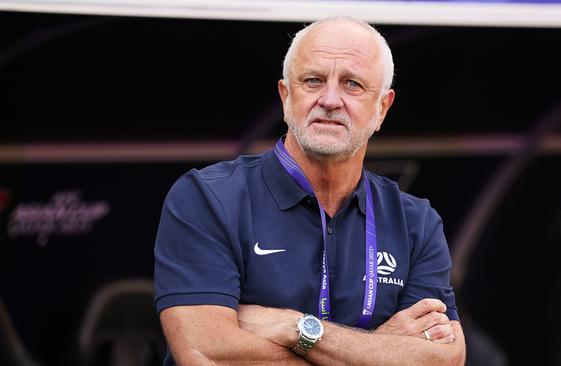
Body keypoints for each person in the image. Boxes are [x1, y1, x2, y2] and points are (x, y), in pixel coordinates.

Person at [154, 16, 465, 365]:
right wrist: (381, 347)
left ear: (382, 108)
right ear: (286, 97)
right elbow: (208, 356)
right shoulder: (207, 199)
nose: (330, 99)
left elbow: (443, 359)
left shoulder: (416, 222)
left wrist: (295, 327)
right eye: (313, 81)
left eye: (352, 84)